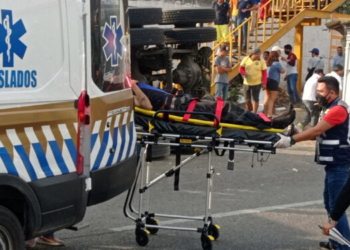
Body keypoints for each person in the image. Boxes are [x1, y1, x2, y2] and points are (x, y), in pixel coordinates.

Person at [274, 76, 350, 250]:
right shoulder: (330, 107)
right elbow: (318, 132)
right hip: (334, 164)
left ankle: (344, 246)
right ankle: (336, 242)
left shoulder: (338, 109)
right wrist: (301, 132)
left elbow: (317, 129)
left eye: (321, 92)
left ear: (332, 92)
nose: (317, 95)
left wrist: (291, 140)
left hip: (340, 163)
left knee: (336, 206)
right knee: (329, 202)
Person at [132, 81, 295, 129]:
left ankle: (269, 121)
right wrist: (133, 86)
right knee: (227, 111)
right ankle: (272, 123)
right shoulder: (128, 92)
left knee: (228, 109)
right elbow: (145, 106)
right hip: (182, 109)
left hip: (184, 103)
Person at [239, 48, 267, 113]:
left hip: (257, 83)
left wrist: (264, 83)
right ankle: (248, 112)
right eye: (257, 54)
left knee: (255, 99)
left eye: (259, 54)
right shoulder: (246, 59)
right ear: (252, 54)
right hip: (247, 83)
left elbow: (264, 73)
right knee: (247, 99)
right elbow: (240, 68)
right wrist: (244, 73)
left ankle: (254, 113)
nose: (258, 56)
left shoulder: (261, 61)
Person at [264, 46, 285, 118]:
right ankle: (269, 115)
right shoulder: (277, 63)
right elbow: (283, 71)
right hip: (274, 82)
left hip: (267, 81)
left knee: (266, 98)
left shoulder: (267, 63)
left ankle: (265, 113)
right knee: (272, 99)